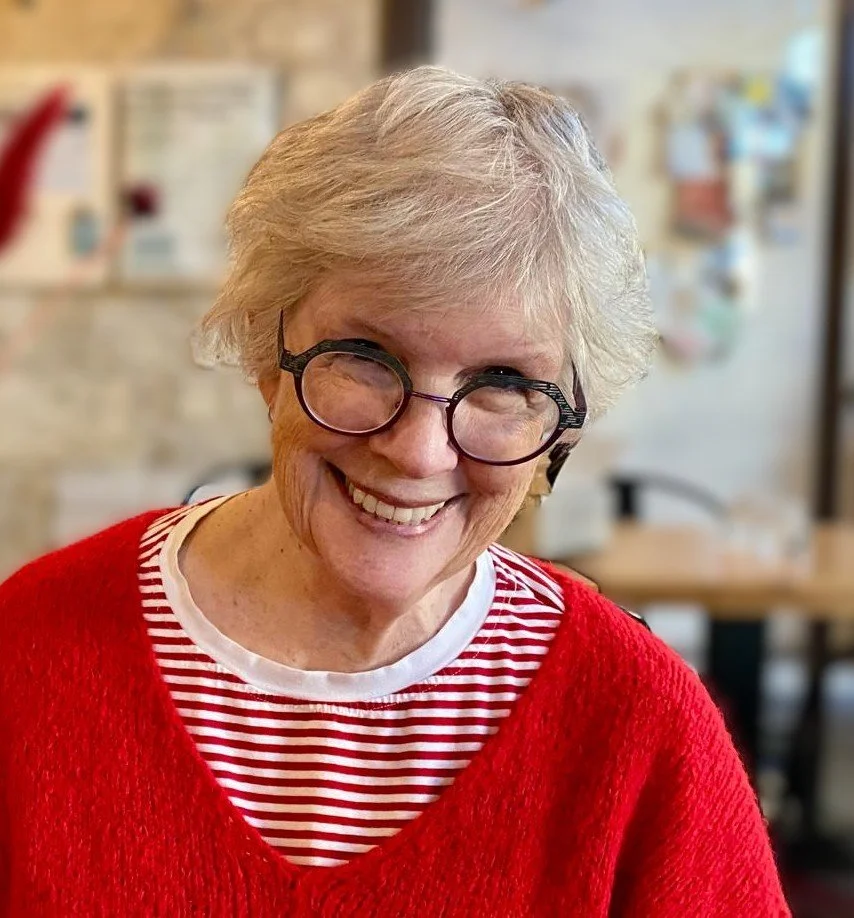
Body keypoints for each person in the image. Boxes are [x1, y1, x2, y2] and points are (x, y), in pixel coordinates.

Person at [0, 67, 789, 917]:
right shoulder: (29, 656)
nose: (417, 454)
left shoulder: (635, 722)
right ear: (269, 354)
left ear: (559, 422)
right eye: (367, 358)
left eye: (500, 382)